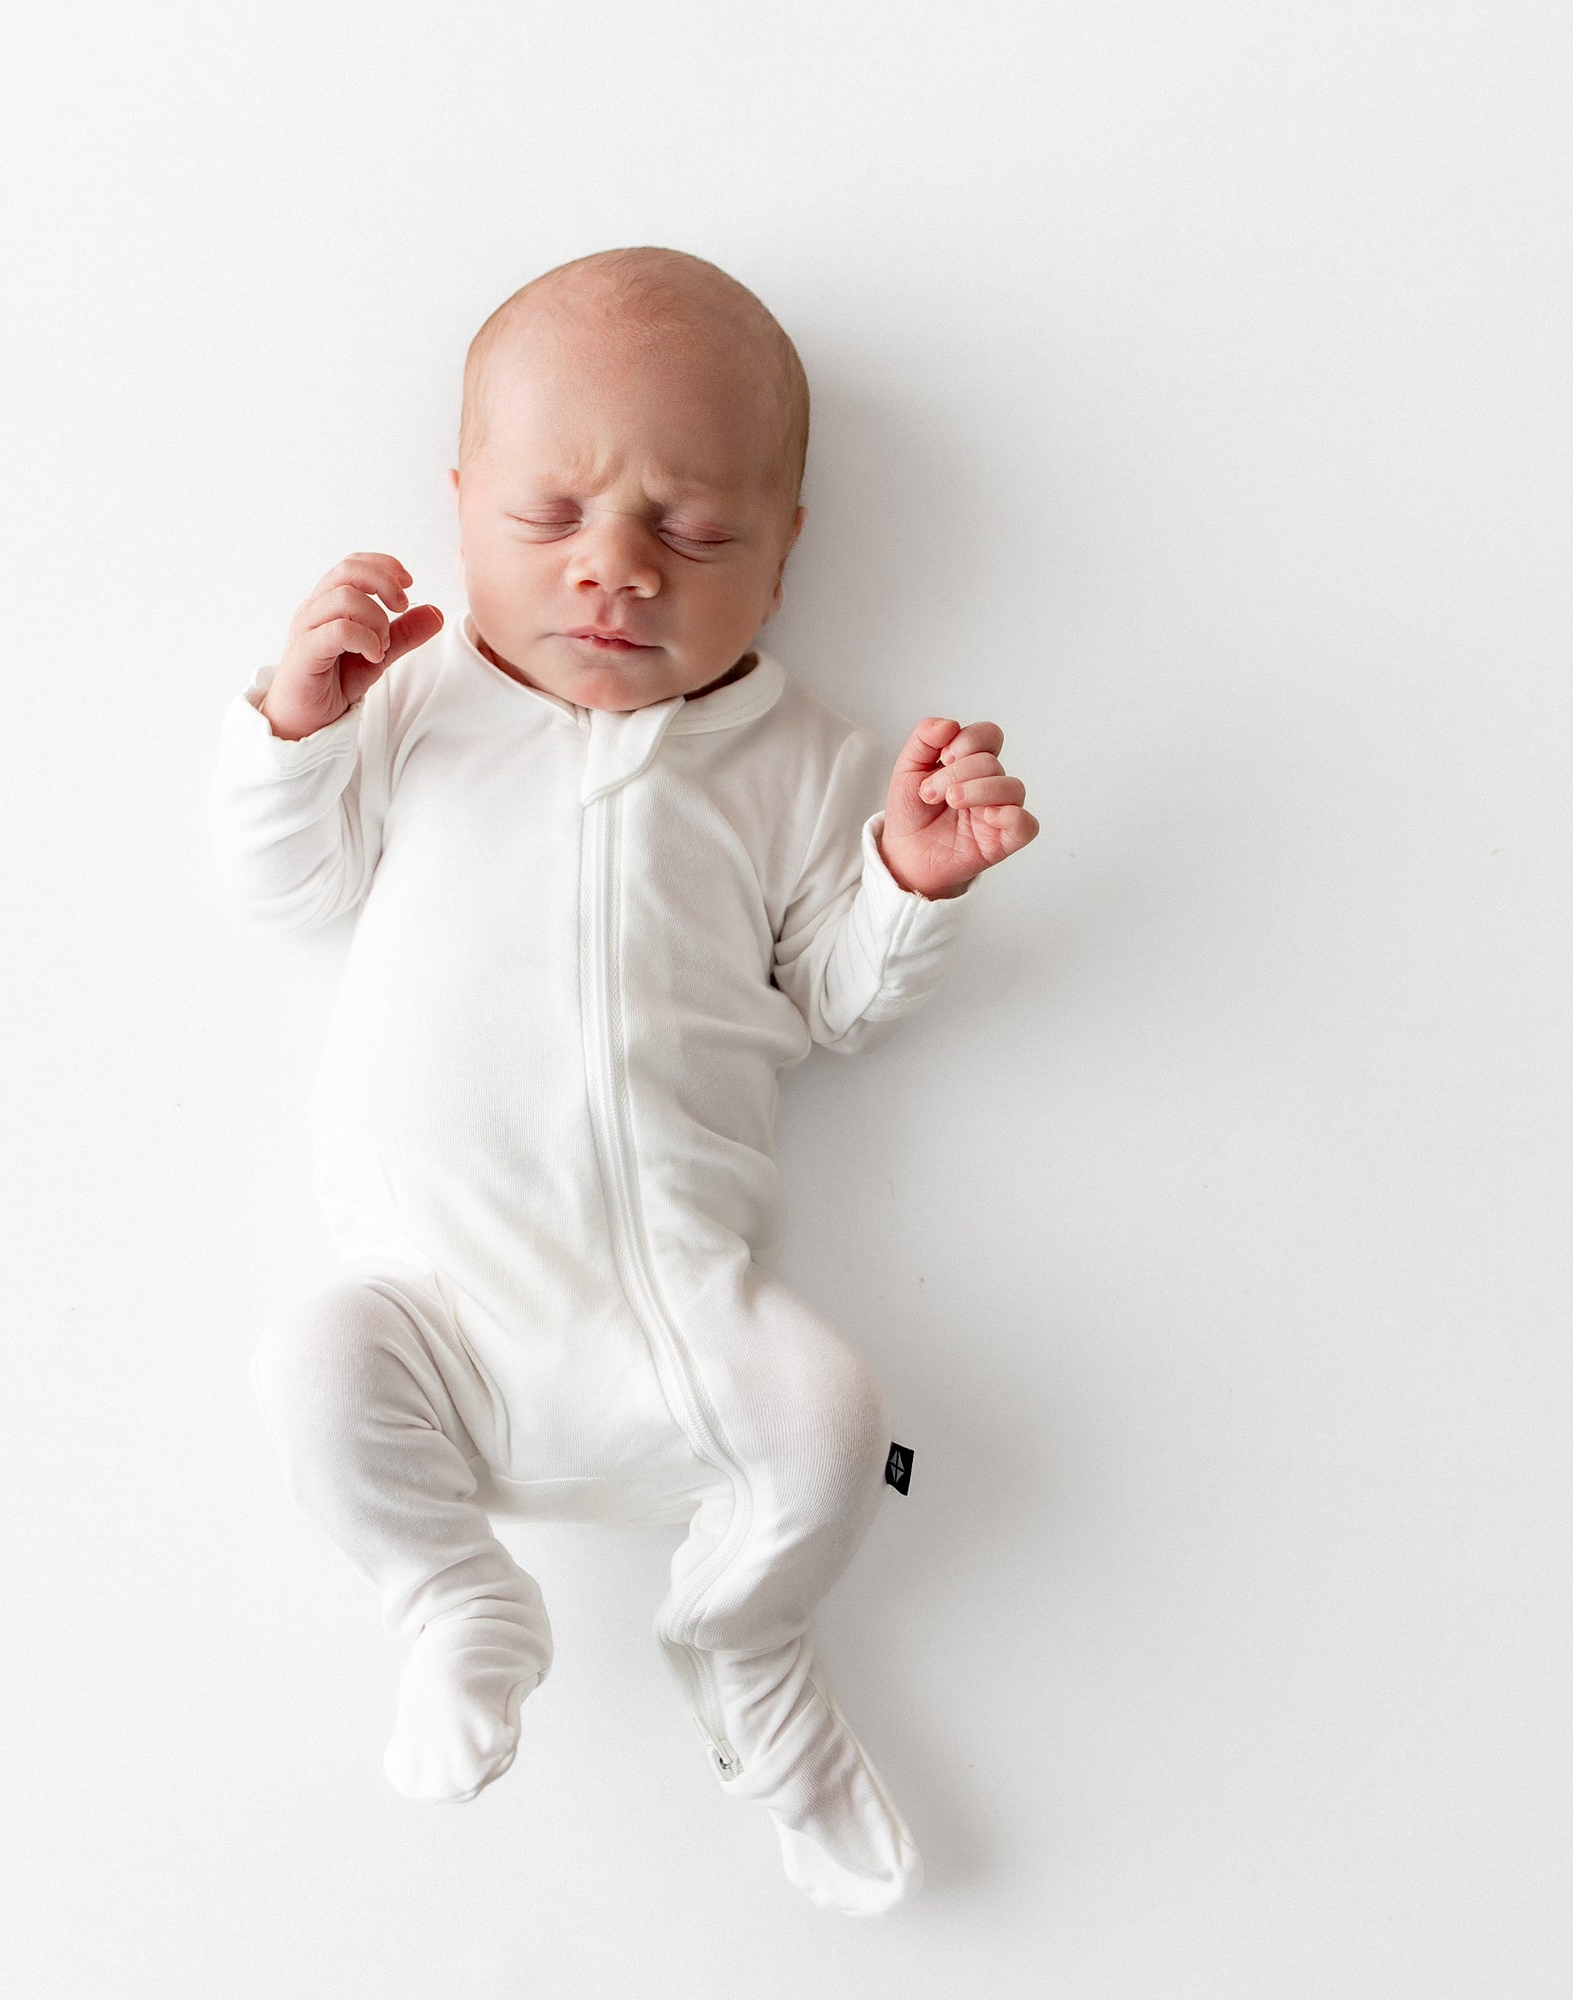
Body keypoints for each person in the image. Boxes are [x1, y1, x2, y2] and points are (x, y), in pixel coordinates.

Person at [209, 246, 1038, 1915]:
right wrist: (293, 727)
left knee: (835, 1422)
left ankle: (742, 1638)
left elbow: (837, 1000)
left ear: (786, 549)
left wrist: (907, 880)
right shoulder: (416, 709)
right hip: (434, 1316)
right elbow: (291, 887)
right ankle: (454, 1596)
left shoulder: (803, 760)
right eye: (548, 519)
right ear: (461, 505)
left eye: (694, 530)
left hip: (690, 1320)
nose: (614, 573)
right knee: (307, 1367)